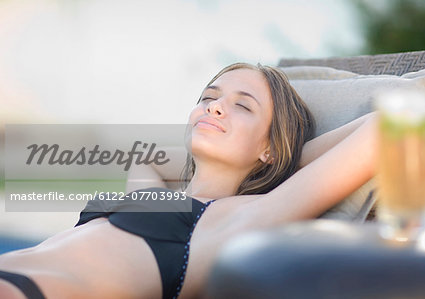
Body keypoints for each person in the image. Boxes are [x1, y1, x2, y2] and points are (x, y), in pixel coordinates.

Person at [0, 63, 377, 299]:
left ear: (272, 147)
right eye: (209, 97)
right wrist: (251, 152)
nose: (214, 106)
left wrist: (281, 158)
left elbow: (383, 130)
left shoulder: (239, 218)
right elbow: (146, 156)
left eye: (242, 106)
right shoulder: (155, 195)